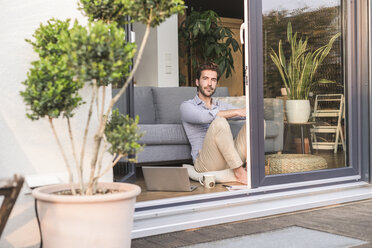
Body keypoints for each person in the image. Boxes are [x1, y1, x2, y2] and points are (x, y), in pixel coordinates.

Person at [180, 63, 248, 184]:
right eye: (205, 79)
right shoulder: (187, 106)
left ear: (216, 84)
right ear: (197, 82)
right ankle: (239, 172)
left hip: (227, 158)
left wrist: (249, 111)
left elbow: (243, 114)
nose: (209, 84)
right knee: (220, 122)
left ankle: (250, 168)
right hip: (205, 162)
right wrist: (237, 111)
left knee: (258, 124)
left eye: (213, 80)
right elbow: (203, 117)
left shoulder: (220, 105)